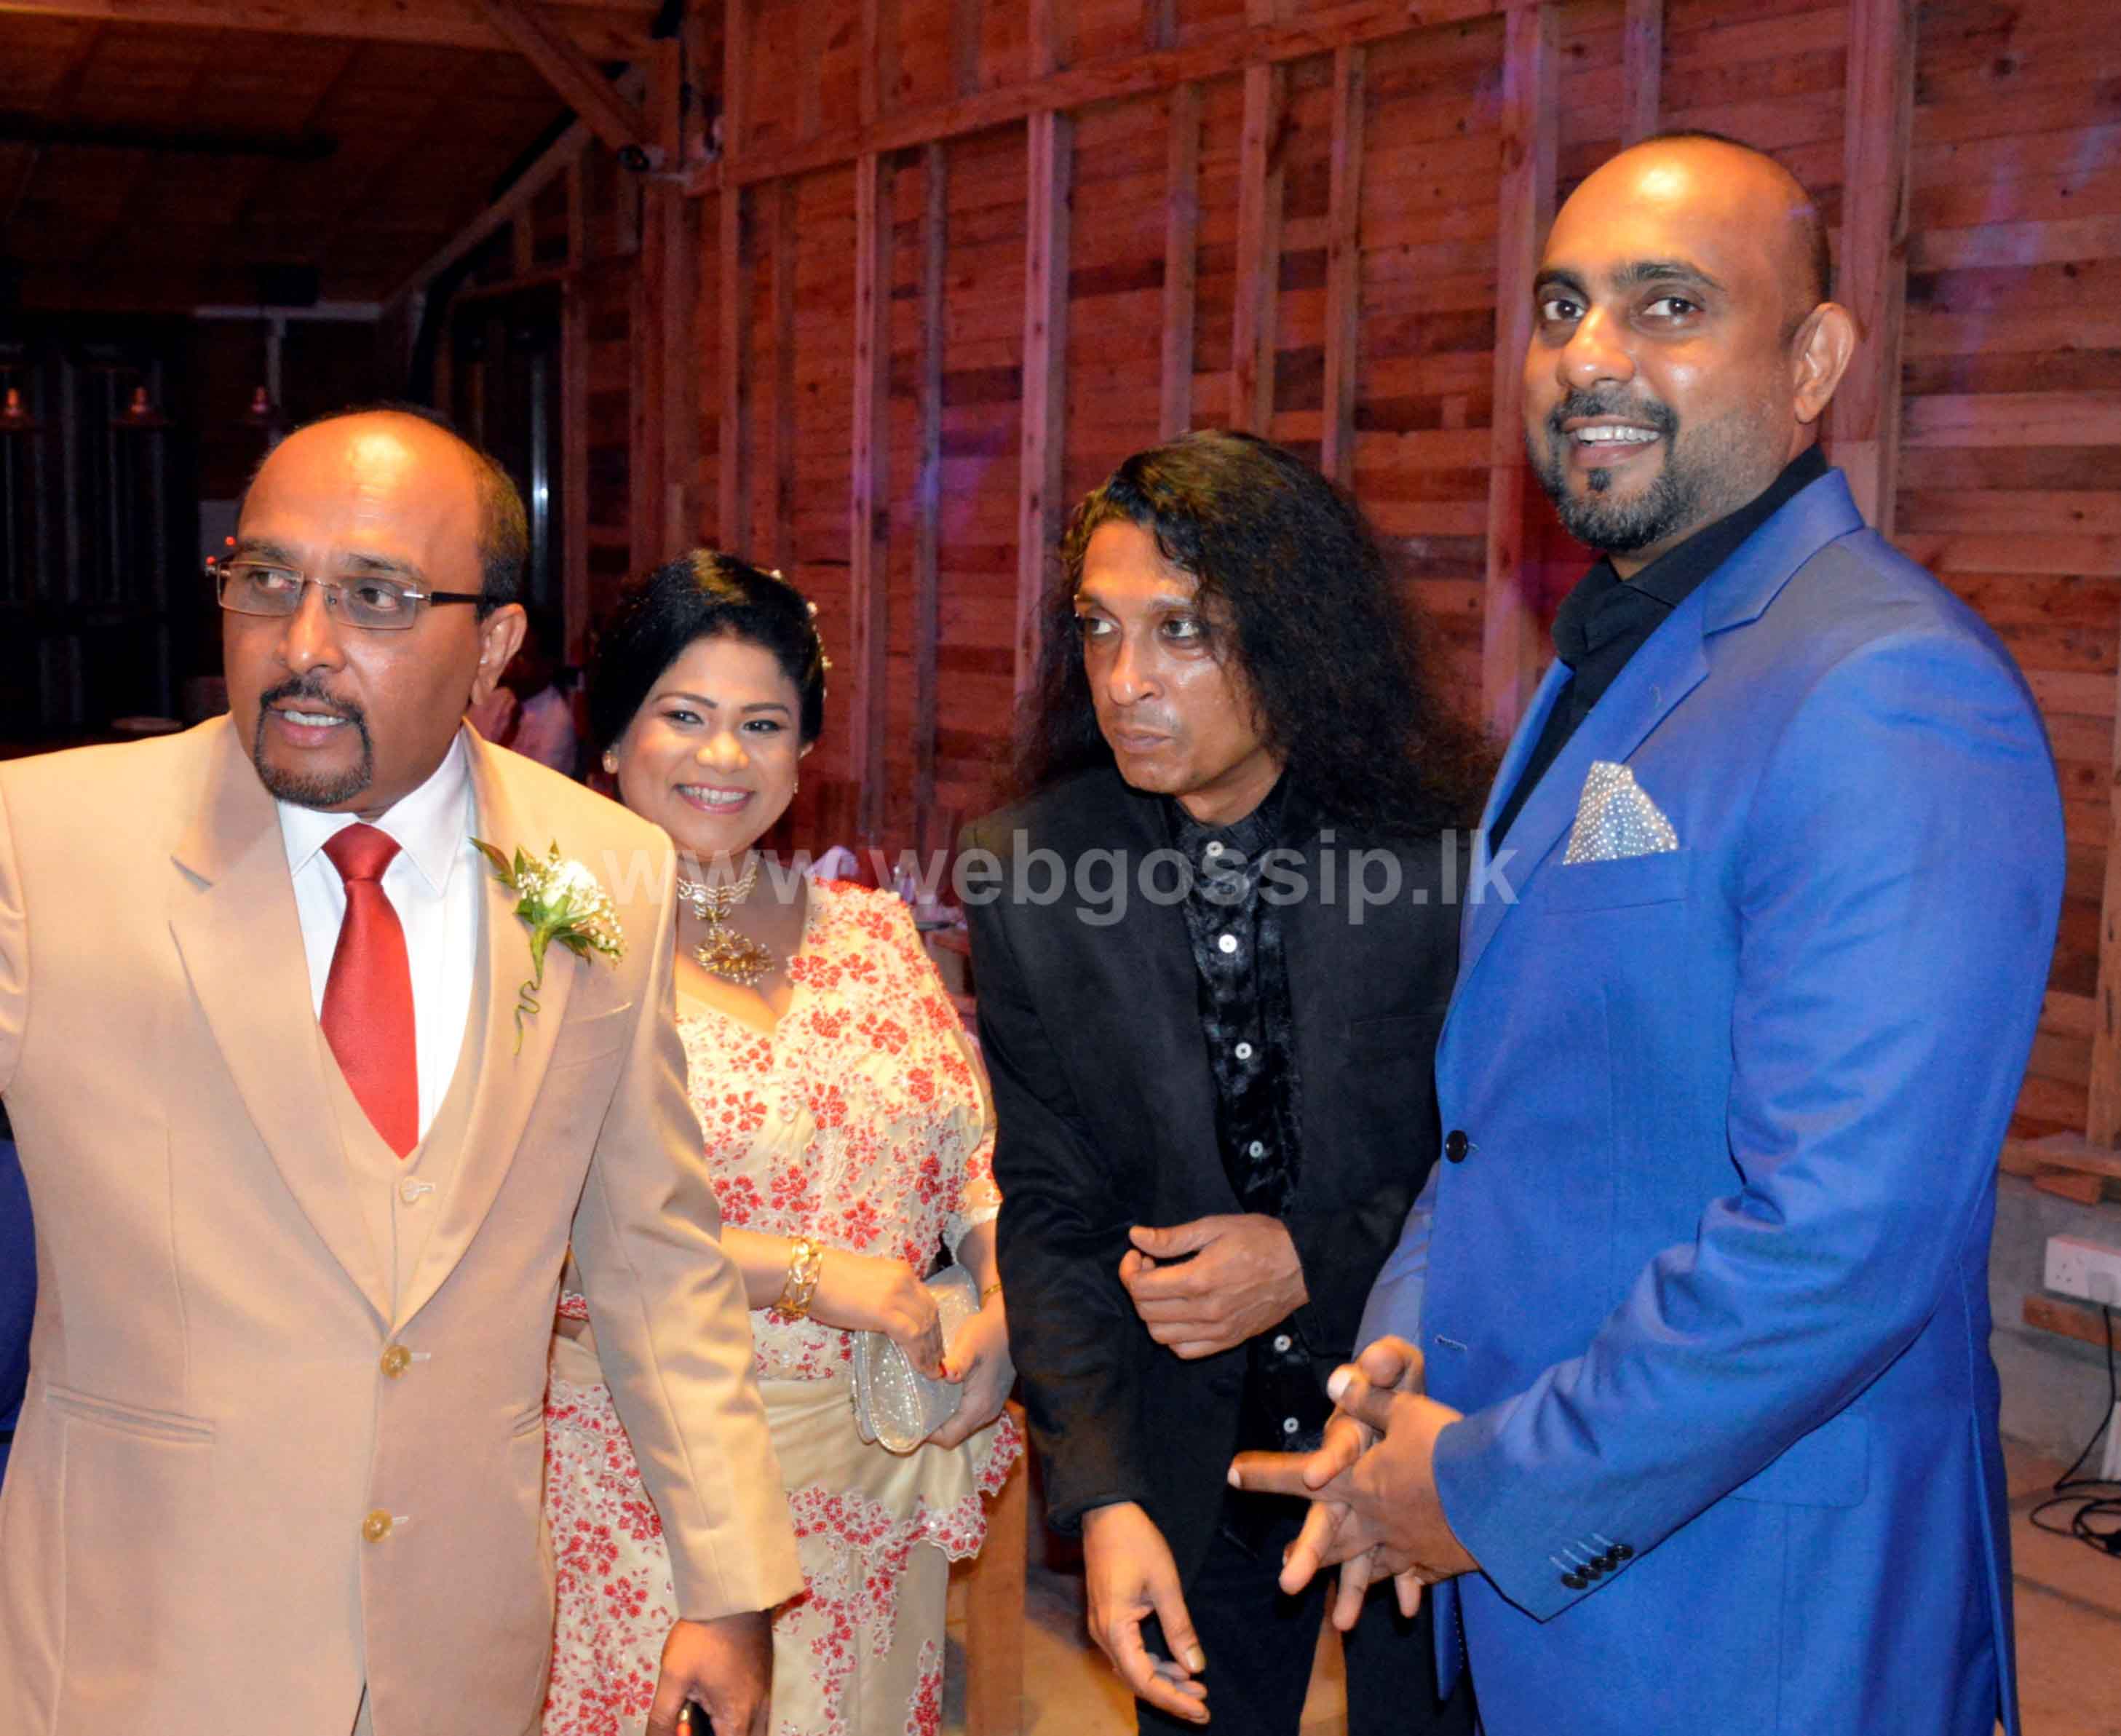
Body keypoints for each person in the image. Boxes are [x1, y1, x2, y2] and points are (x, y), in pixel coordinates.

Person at [1233, 132, 2063, 1736]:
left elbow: (1836, 1239)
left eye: (1668, 305)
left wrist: (1482, 1488)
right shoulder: (1607, 655)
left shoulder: (1884, 687)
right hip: (1547, 1570)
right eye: (1560, 307)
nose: (1589, 356)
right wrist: (1396, 1365)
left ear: (1812, 361)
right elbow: (1501, 1116)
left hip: (1746, 1618)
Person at [0, 408, 802, 1735]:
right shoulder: (43, 844)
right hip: (134, 1649)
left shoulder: (605, 868)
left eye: (374, 596)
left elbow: (655, 1250)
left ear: (492, 644)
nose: (302, 645)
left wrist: (728, 1584)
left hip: (456, 1650)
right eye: (267, 581)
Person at [964, 431, 1485, 1735]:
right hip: (1187, 1457)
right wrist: (1101, 1497)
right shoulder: (1032, 870)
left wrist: (1309, 1258)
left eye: (1182, 631)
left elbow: (1508, 1157)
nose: (1124, 680)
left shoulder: (1447, 855)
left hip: (1420, 1424)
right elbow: (1051, 1209)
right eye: (1098, 629)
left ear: (1296, 638)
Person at [542, 550, 1020, 1736]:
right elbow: (527, 1230)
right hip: (648, 1493)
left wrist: (1008, 1300)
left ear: (803, 750)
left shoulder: (872, 933)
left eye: (761, 724)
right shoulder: (551, 941)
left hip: (874, 1495)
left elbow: (973, 1161)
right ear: (613, 738)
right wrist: (816, 1276)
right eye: (683, 715)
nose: (722, 755)